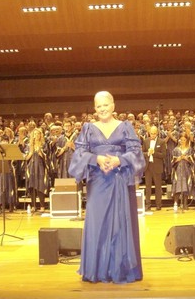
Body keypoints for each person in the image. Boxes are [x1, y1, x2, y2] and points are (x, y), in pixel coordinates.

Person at [68, 91, 145, 284]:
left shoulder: (126, 127)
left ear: (113, 105)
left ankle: (120, 270)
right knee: (97, 224)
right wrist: (97, 159)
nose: (102, 109)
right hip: (98, 181)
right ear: (95, 108)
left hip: (120, 181)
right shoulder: (88, 128)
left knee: (121, 224)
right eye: (98, 106)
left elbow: (136, 153)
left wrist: (120, 160)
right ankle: (97, 270)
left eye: (106, 105)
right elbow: (79, 154)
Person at [142, 125, 166, 211]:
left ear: (157, 133)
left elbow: (163, 155)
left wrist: (154, 152)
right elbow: (142, 153)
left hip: (157, 167)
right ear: (149, 133)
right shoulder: (145, 141)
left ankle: (158, 205)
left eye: (154, 133)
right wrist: (148, 153)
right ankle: (148, 205)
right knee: (147, 187)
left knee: (158, 187)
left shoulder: (162, 142)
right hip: (148, 167)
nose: (153, 135)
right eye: (151, 133)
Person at [171, 132, 195, 210]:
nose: (183, 141)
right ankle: (176, 203)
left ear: (187, 140)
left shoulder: (190, 149)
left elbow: (193, 161)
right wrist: (178, 159)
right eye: (181, 140)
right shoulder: (176, 150)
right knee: (178, 185)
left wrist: (186, 159)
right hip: (178, 170)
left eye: (184, 140)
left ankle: (185, 203)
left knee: (186, 186)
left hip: (187, 170)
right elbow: (172, 162)